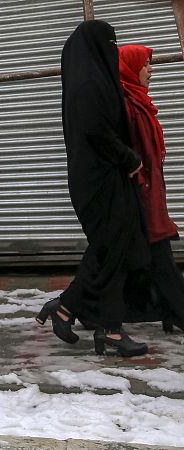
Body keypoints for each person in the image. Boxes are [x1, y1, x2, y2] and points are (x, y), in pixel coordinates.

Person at [36, 21, 149, 357]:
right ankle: (106, 329)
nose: (114, 49)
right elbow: (98, 131)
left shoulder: (88, 80)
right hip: (101, 180)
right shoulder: (89, 85)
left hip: (103, 178)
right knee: (112, 251)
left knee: (111, 251)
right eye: (110, 43)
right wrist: (128, 157)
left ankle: (71, 311)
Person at [118, 44, 184, 333]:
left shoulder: (139, 100)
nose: (150, 69)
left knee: (125, 259)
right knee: (161, 257)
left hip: (150, 190)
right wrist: (142, 183)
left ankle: (77, 306)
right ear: (130, 67)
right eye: (145, 64)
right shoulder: (125, 102)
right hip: (139, 194)